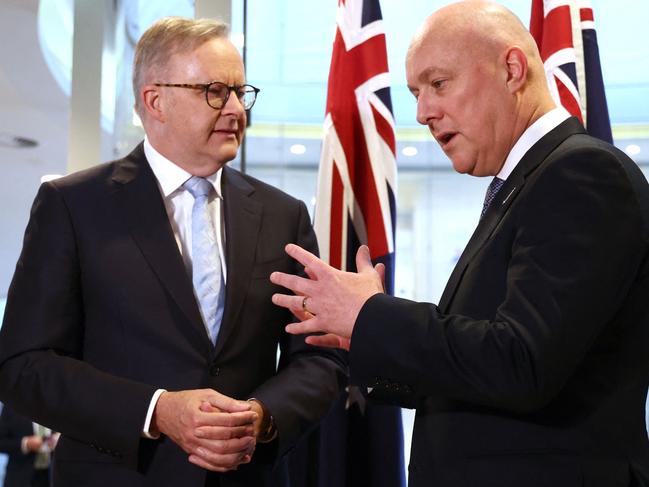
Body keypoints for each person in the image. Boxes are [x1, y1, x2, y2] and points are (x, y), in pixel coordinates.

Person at [269, 1, 649, 486]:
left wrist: (373, 315)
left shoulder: (581, 174)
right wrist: (366, 336)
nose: (424, 112)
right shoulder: (523, 184)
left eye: (439, 84)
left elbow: (520, 363)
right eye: (415, 92)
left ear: (512, 69)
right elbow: (480, 370)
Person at [0, 17, 345, 487]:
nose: (235, 110)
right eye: (214, 91)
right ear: (155, 100)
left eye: (241, 93)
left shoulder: (284, 215)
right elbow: (23, 366)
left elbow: (318, 360)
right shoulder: (73, 206)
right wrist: (156, 410)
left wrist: (263, 416)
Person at [0, 405, 58, 487]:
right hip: (20, 476)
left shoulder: (53, 404)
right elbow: (1, 442)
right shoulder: (11, 406)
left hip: (50, 475)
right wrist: (26, 443)